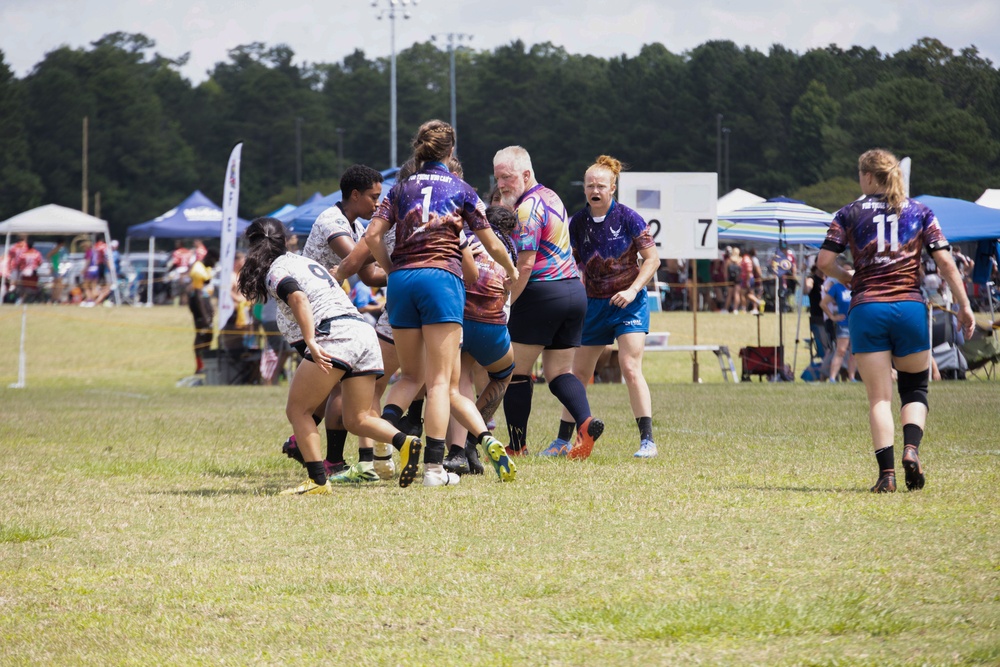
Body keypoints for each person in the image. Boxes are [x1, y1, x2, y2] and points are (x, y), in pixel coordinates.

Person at [366, 120, 520, 486]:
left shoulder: (399, 187)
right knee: (438, 383)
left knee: (409, 376)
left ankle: (383, 448)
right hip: (441, 280)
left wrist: (391, 270)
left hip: (403, 282)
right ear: (451, 151)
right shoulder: (462, 188)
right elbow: (493, 244)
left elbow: (373, 235)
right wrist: (511, 269)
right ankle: (435, 468)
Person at [818, 148, 974, 493]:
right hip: (909, 307)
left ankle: (886, 476)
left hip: (867, 307)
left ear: (868, 177)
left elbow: (824, 260)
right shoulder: (920, 211)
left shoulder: (848, 213)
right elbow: (947, 264)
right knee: (915, 388)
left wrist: (847, 277)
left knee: (879, 399)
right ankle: (911, 448)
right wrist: (964, 306)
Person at [237, 217, 421, 494]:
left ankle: (317, 481)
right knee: (357, 419)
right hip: (362, 332)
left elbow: (297, 297)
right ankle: (404, 442)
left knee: (298, 410)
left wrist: (310, 339)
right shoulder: (304, 262)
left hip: (333, 334)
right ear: (284, 241)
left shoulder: (276, 269)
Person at [493, 145, 603, 459]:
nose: (501, 183)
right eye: (498, 177)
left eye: (507, 177)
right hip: (573, 293)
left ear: (526, 174)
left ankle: (516, 445)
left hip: (543, 293)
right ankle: (585, 422)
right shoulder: (551, 195)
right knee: (559, 372)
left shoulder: (527, 208)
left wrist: (508, 303)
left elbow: (525, 264)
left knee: (517, 373)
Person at [563, 155, 659, 458]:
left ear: (612, 188)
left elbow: (652, 260)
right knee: (577, 375)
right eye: (590, 185)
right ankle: (562, 440)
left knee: (630, 367)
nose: (595, 190)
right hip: (593, 305)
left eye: (601, 185)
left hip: (628, 304)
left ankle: (647, 441)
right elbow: (571, 262)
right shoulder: (577, 222)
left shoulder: (629, 218)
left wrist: (632, 290)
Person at [821, 263, 857, 382]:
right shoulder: (837, 287)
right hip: (843, 324)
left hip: (856, 323)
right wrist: (832, 317)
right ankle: (832, 377)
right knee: (841, 350)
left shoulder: (855, 287)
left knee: (854, 352)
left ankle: (852, 377)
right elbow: (823, 303)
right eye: (845, 272)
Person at [188, 246, 218, 374]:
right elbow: (199, 295)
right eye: (214, 261)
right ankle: (199, 366)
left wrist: (211, 308)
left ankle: (206, 364)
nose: (215, 264)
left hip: (205, 303)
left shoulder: (207, 268)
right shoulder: (198, 269)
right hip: (198, 304)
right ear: (209, 257)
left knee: (209, 335)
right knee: (201, 334)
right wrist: (205, 315)